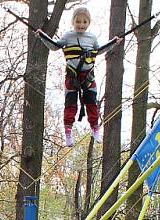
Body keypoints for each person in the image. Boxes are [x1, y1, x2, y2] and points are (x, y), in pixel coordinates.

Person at [36, 6, 121, 145]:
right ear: (73, 21)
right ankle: (68, 132)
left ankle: (95, 128)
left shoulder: (92, 38)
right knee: (70, 103)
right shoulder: (68, 36)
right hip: (72, 75)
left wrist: (113, 43)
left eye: (84, 22)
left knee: (91, 102)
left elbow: (99, 50)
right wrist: (42, 36)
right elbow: (54, 46)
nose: (81, 25)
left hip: (88, 75)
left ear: (88, 23)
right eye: (78, 21)